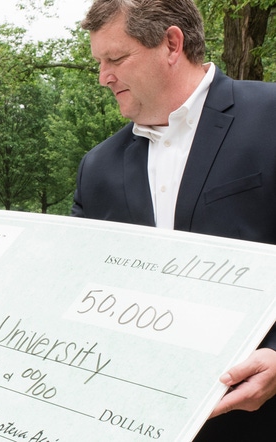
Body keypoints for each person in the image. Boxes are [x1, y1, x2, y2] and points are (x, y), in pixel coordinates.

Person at [73, 0, 276, 440]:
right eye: (99, 62)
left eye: (116, 58)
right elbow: (74, 284)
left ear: (171, 43)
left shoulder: (272, 116)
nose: (103, 76)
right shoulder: (97, 168)